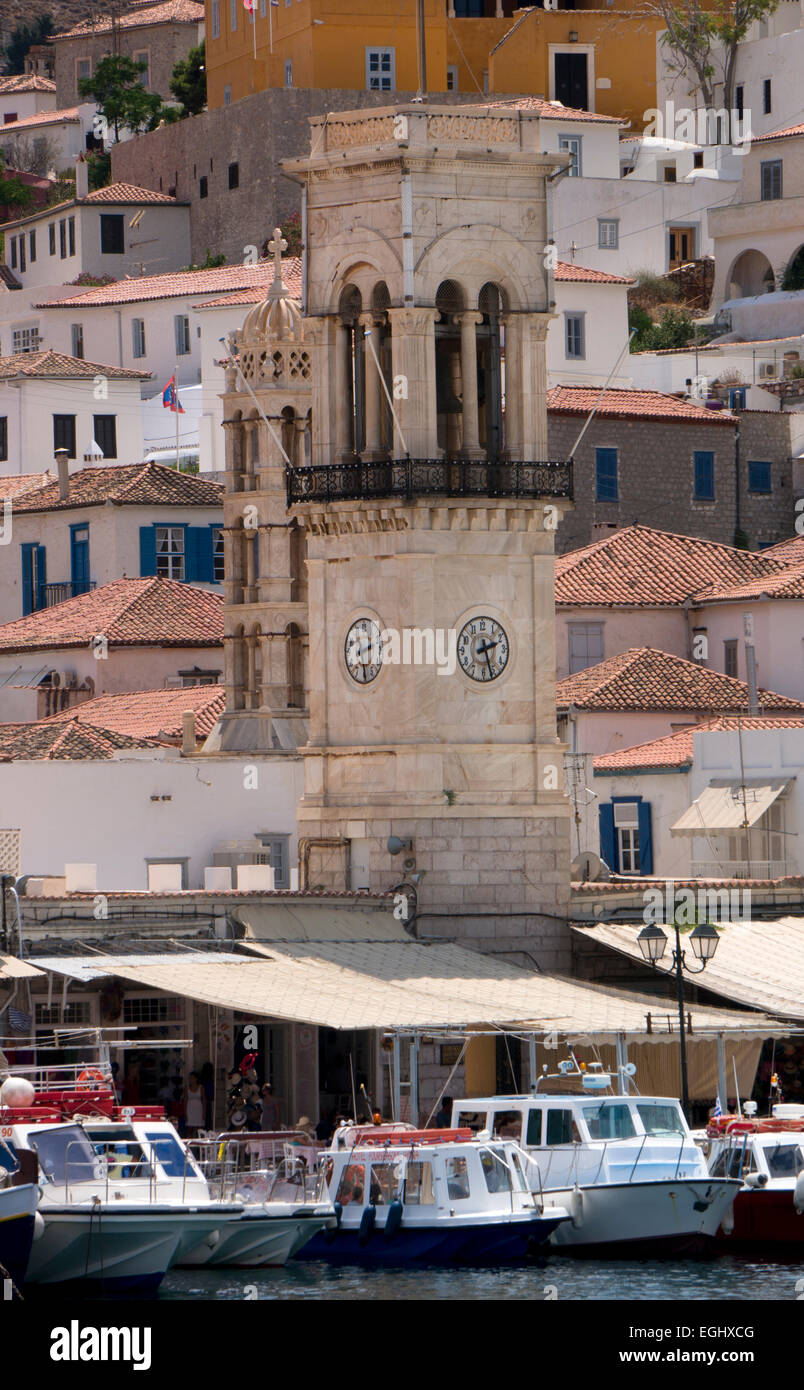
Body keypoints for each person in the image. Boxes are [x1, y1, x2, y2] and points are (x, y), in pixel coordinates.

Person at [184, 1072, 205, 1137]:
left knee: (200, 1129)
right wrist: (185, 1113)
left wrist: (204, 1113)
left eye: (192, 1078)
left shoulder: (201, 1088)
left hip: (199, 1110)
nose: (190, 1080)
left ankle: (200, 1145)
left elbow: (204, 1101)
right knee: (189, 1129)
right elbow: (185, 1101)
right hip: (190, 1110)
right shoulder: (186, 1088)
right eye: (189, 1078)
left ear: (196, 1079)